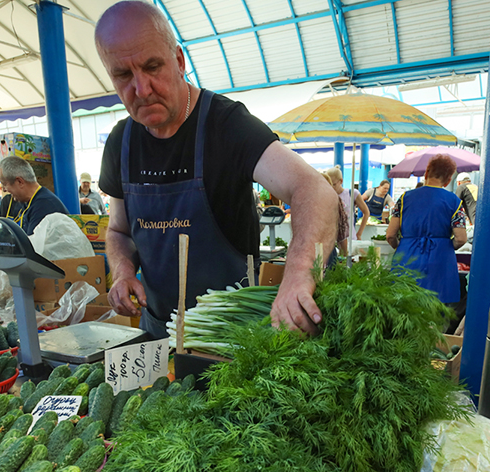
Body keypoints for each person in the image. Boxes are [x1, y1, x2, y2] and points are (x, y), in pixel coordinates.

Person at [95, 1, 335, 336]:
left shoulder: (227, 125)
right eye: (123, 75)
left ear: (179, 61)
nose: (142, 89)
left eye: (153, 67)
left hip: (233, 343)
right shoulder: (121, 142)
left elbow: (314, 189)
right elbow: (119, 231)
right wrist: (121, 272)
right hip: (158, 333)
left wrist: (299, 271)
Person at [385, 154, 467, 304]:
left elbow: (390, 235)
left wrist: (403, 246)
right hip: (440, 260)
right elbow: (461, 238)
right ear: (449, 180)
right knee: (437, 310)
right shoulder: (454, 202)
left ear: (426, 172)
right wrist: (445, 245)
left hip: (407, 257)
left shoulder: (404, 198)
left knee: (406, 310)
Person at [325, 166, 369, 251]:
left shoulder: (352, 193)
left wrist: (359, 233)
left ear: (340, 181)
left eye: (334, 184)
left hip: (350, 239)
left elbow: (366, 212)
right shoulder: (327, 196)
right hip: (331, 240)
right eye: (329, 185)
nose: (331, 187)